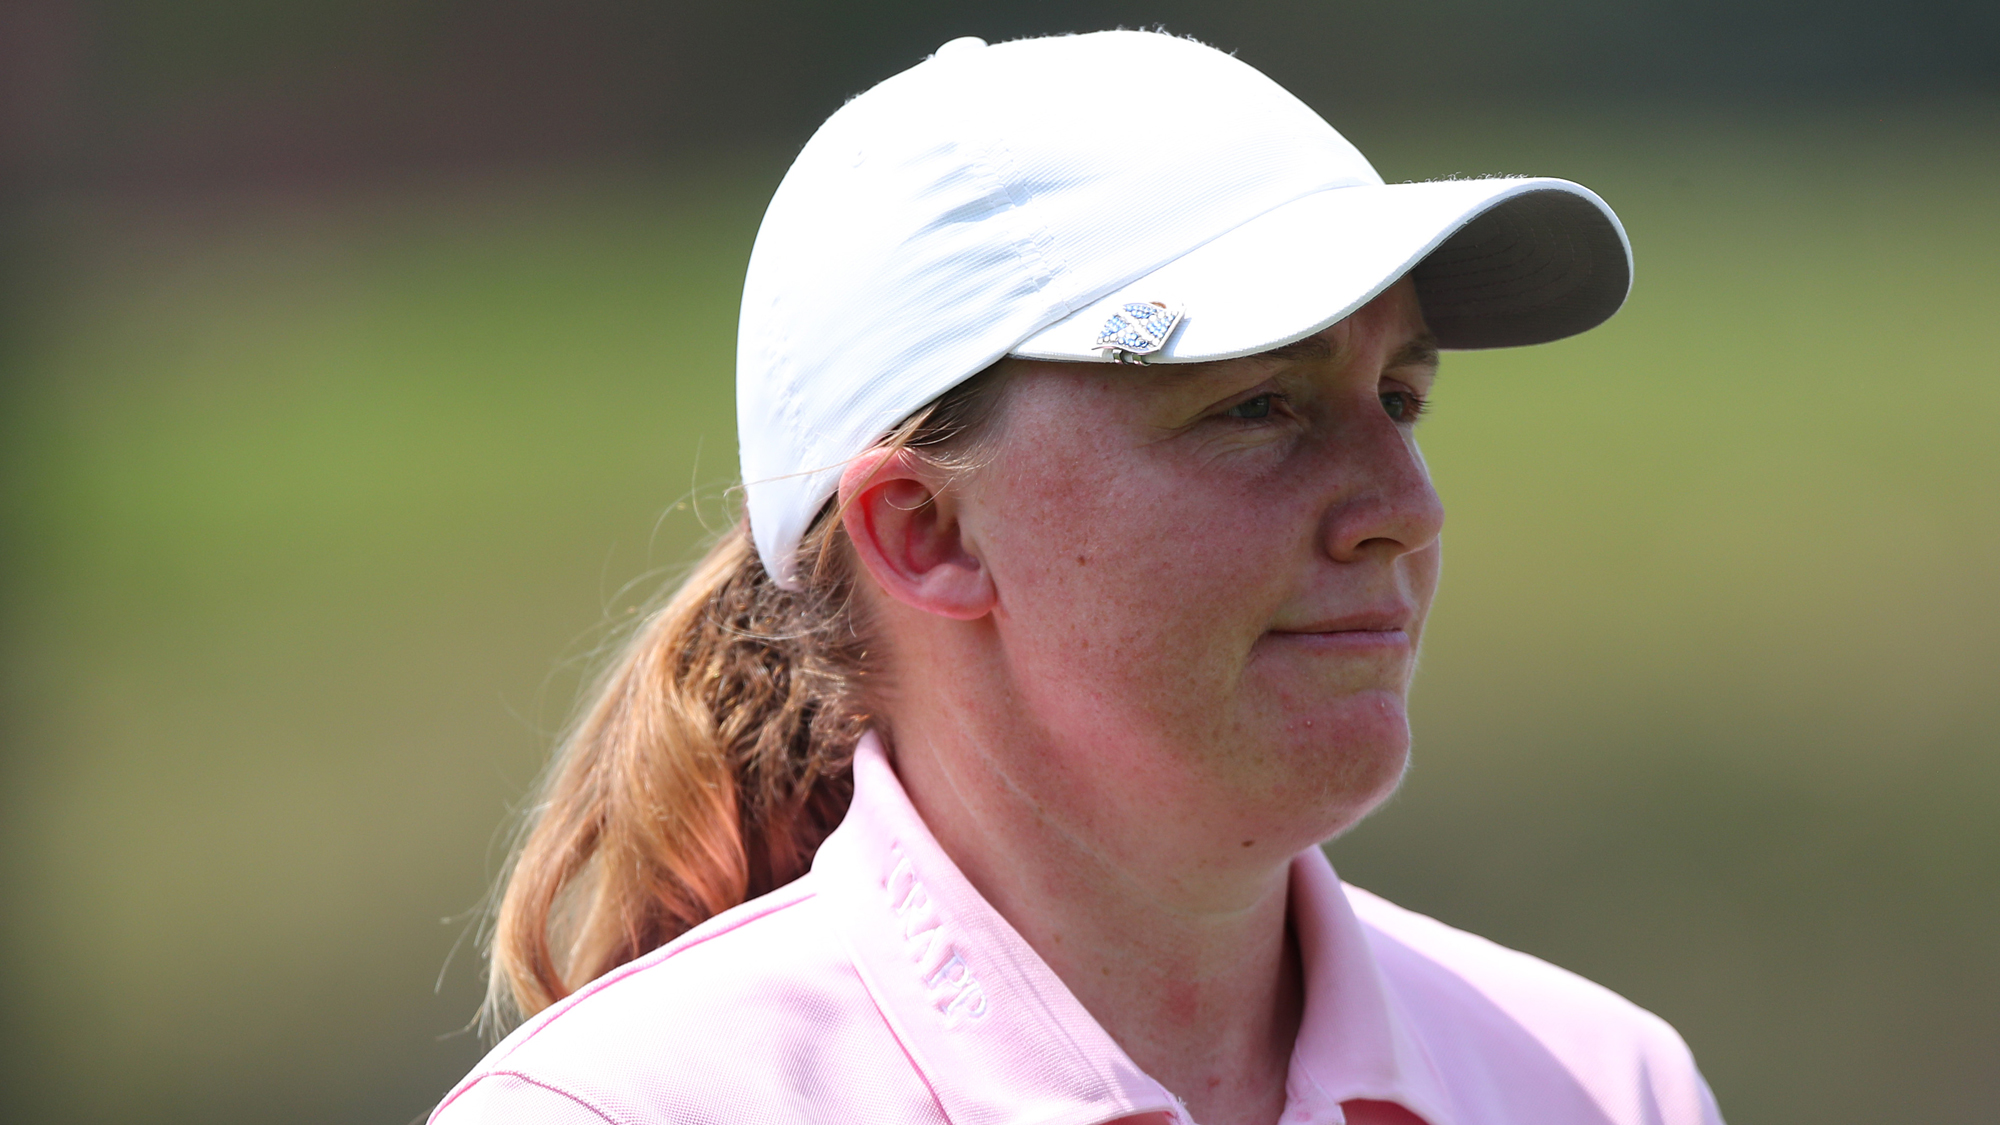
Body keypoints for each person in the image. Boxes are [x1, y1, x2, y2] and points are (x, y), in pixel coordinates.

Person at [432, 30, 1723, 1125]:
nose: (1405, 509)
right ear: (924, 532)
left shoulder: (1602, 1085)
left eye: (1400, 396)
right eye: (1260, 404)